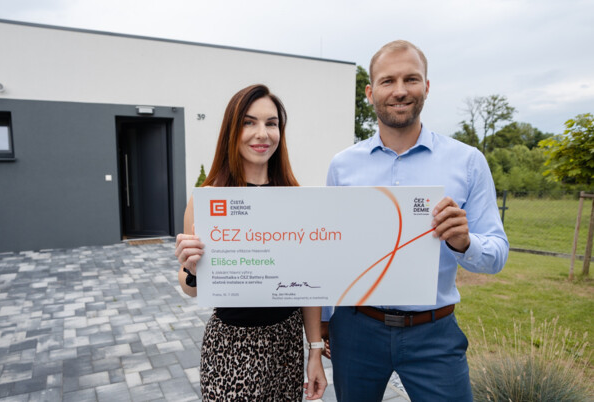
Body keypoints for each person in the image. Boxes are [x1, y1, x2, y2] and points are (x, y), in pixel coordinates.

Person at [321, 40, 509, 401]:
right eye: (388, 81)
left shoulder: (468, 162)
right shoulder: (343, 166)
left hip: (433, 333)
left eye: (411, 79)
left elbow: (497, 255)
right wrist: (326, 320)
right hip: (357, 330)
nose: (400, 90)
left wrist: (464, 242)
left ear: (426, 86)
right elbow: (332, 249)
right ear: (370, 92)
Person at [175, 84, 327, 401]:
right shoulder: (208, 199)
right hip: (228, 345)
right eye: (249, 122)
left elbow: (310, 284)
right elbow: (190, 288)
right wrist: (191, 270)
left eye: (271, 123)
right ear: (233, 130)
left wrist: (314, 350)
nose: (262, 133)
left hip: (285, 344)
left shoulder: (296, 199)